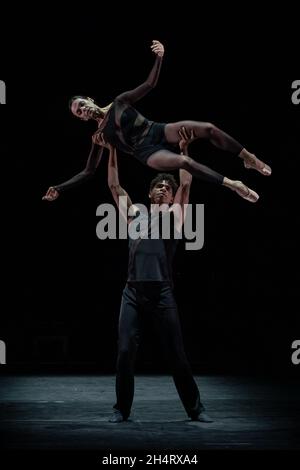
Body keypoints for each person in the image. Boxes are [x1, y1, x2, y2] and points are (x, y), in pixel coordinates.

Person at [42, 40, 271, 204]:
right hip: (145, 152)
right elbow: (88, 171)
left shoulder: (119, 101)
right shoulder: (99, 136)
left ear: (90, 99)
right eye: (79, 112)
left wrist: (159, 57)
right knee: (184, 161)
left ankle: (249, 159)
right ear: (82, 119)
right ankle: (234, 184)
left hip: (157, 130)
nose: (83, 110)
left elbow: (149, 85)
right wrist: (59, 188)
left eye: (82, 104)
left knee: (208, 128)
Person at [106, 126, 213, 423]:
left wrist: (183, 150)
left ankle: (195, 409)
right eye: (160, 185)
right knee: (125, 350)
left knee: (177, 354)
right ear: (150, 192)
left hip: (162, 292)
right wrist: (111, 148)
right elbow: (115, 187)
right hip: (133, 292)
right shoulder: (135, 214)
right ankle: (121, 409)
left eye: (168, 185)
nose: (165, 187)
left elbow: (187, 183)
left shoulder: (176, 213)